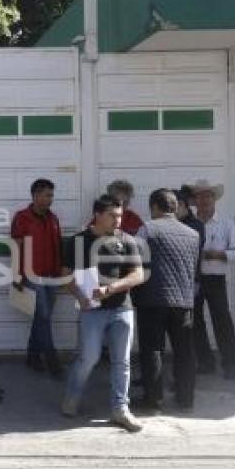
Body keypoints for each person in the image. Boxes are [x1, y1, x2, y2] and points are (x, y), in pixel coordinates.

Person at [61, 194, 146, 432]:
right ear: (97, 215)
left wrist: (111, 288)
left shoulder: (128, 240)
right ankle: (72, 398)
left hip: (122, 308)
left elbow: (138, 275)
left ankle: (121, 409)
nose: (118, 220)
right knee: (88, 358)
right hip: (92, 311)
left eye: (120, 215)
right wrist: (80, 297)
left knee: (122, 361)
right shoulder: (78, 241)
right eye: (113, 215)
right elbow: (66, 274)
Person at [132, 189, 200, 412]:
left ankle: (153, 401)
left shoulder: (148, 229)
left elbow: (135, 260)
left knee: (153, 349)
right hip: (184, 301)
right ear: (175, 207)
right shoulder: (193, 234)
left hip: (152, 299)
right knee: (184, 352)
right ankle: (186, 398)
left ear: (154, 207)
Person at [10, 178, 63, 377]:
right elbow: (16, 247)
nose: (51, 199)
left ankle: (32, 356)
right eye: (47, 195)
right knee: (44, 316)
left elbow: (57, 246)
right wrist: (16, 275)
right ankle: (52, 360)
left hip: (51, 276)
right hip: (32, 276)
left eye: (52, 195)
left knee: (42, 318)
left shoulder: (54, 218)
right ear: (35, 195)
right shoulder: (22, 218)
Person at [191, 179, 235, 379]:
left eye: (208, 195)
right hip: (194, 278)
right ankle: (205, 362)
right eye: (199, 196)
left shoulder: (226, 223)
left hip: (215, 278)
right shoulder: (190, 224)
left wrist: (218, 255)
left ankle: (230, 364)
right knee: (195, 322)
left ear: (214, 199)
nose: (204, 200)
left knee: (222, 321)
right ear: (194, 200)